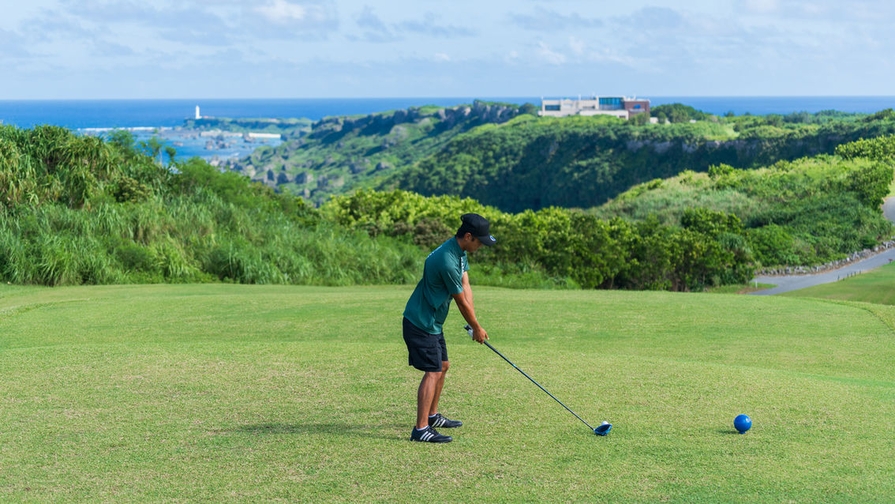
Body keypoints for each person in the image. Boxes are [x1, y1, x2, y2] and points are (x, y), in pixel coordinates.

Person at [402, 213, 496, 443]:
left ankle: (432, 416)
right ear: (467, 236)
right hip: (421, 322)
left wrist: (474, 324)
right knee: (433, 371)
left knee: (442, 366)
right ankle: (421, 429)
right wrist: (476, 327)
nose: (481, 246)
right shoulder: (446, 259)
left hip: (433, 322)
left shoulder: (460, 253)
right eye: (480, 242)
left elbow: (466, 286)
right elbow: (460, 300)